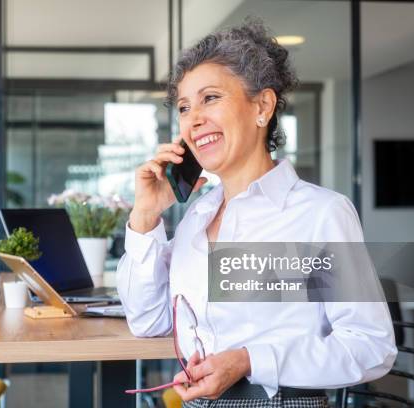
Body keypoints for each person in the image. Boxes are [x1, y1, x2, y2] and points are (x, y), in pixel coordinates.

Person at [117, 18, 397, 408]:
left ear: (262, 106)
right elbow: (149, 322)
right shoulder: (197, 218)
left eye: (210, 98)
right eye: (184, 106)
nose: (193, 118)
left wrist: (250, 360)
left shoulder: (320, 213)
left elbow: (371, 347)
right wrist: (145, 218)